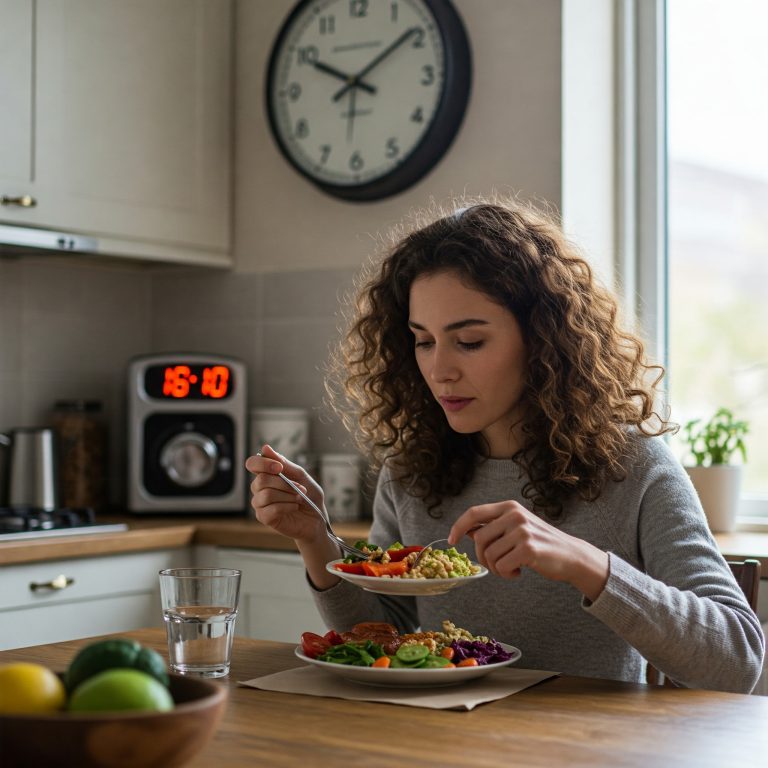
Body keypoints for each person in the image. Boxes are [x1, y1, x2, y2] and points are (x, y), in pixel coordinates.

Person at [246, 197, 764, 692]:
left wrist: (585, 563)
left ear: (544, 339)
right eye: (423, 341)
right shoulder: (410, 471)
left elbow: (737, 661)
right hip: (438, 744)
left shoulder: (635, 468)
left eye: (469, 341)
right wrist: (317, 541)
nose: (439, 369)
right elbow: (388, 638)